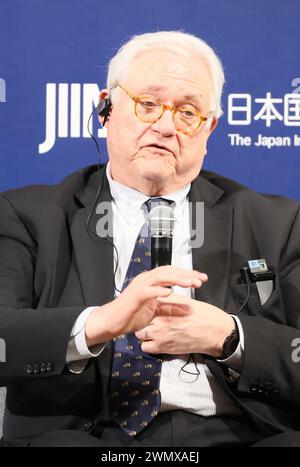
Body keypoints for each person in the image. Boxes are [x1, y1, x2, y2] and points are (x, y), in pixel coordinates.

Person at [1, 30, 300, 448]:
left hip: (237, 436)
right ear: (106, 107)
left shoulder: (278, 222)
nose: (165, 126)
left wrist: (230, 337)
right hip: (89, 438)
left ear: (209, 128)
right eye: (147, 105)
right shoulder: (29, 215)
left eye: (188, 112)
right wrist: (101, 323)